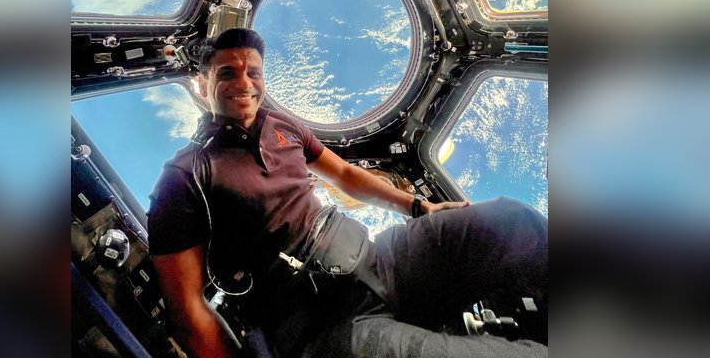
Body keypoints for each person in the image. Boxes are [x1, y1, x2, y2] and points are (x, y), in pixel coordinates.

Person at [148, 28, 548, 358]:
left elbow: (344, 175)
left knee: (511, 223)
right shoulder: (184, 177)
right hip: (324, 326)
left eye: (254, 72)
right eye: (227, 73)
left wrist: (418, 207)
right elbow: (188, 310)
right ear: (203, 84)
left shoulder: (282, 127)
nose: (245, 83)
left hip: (379, 259)